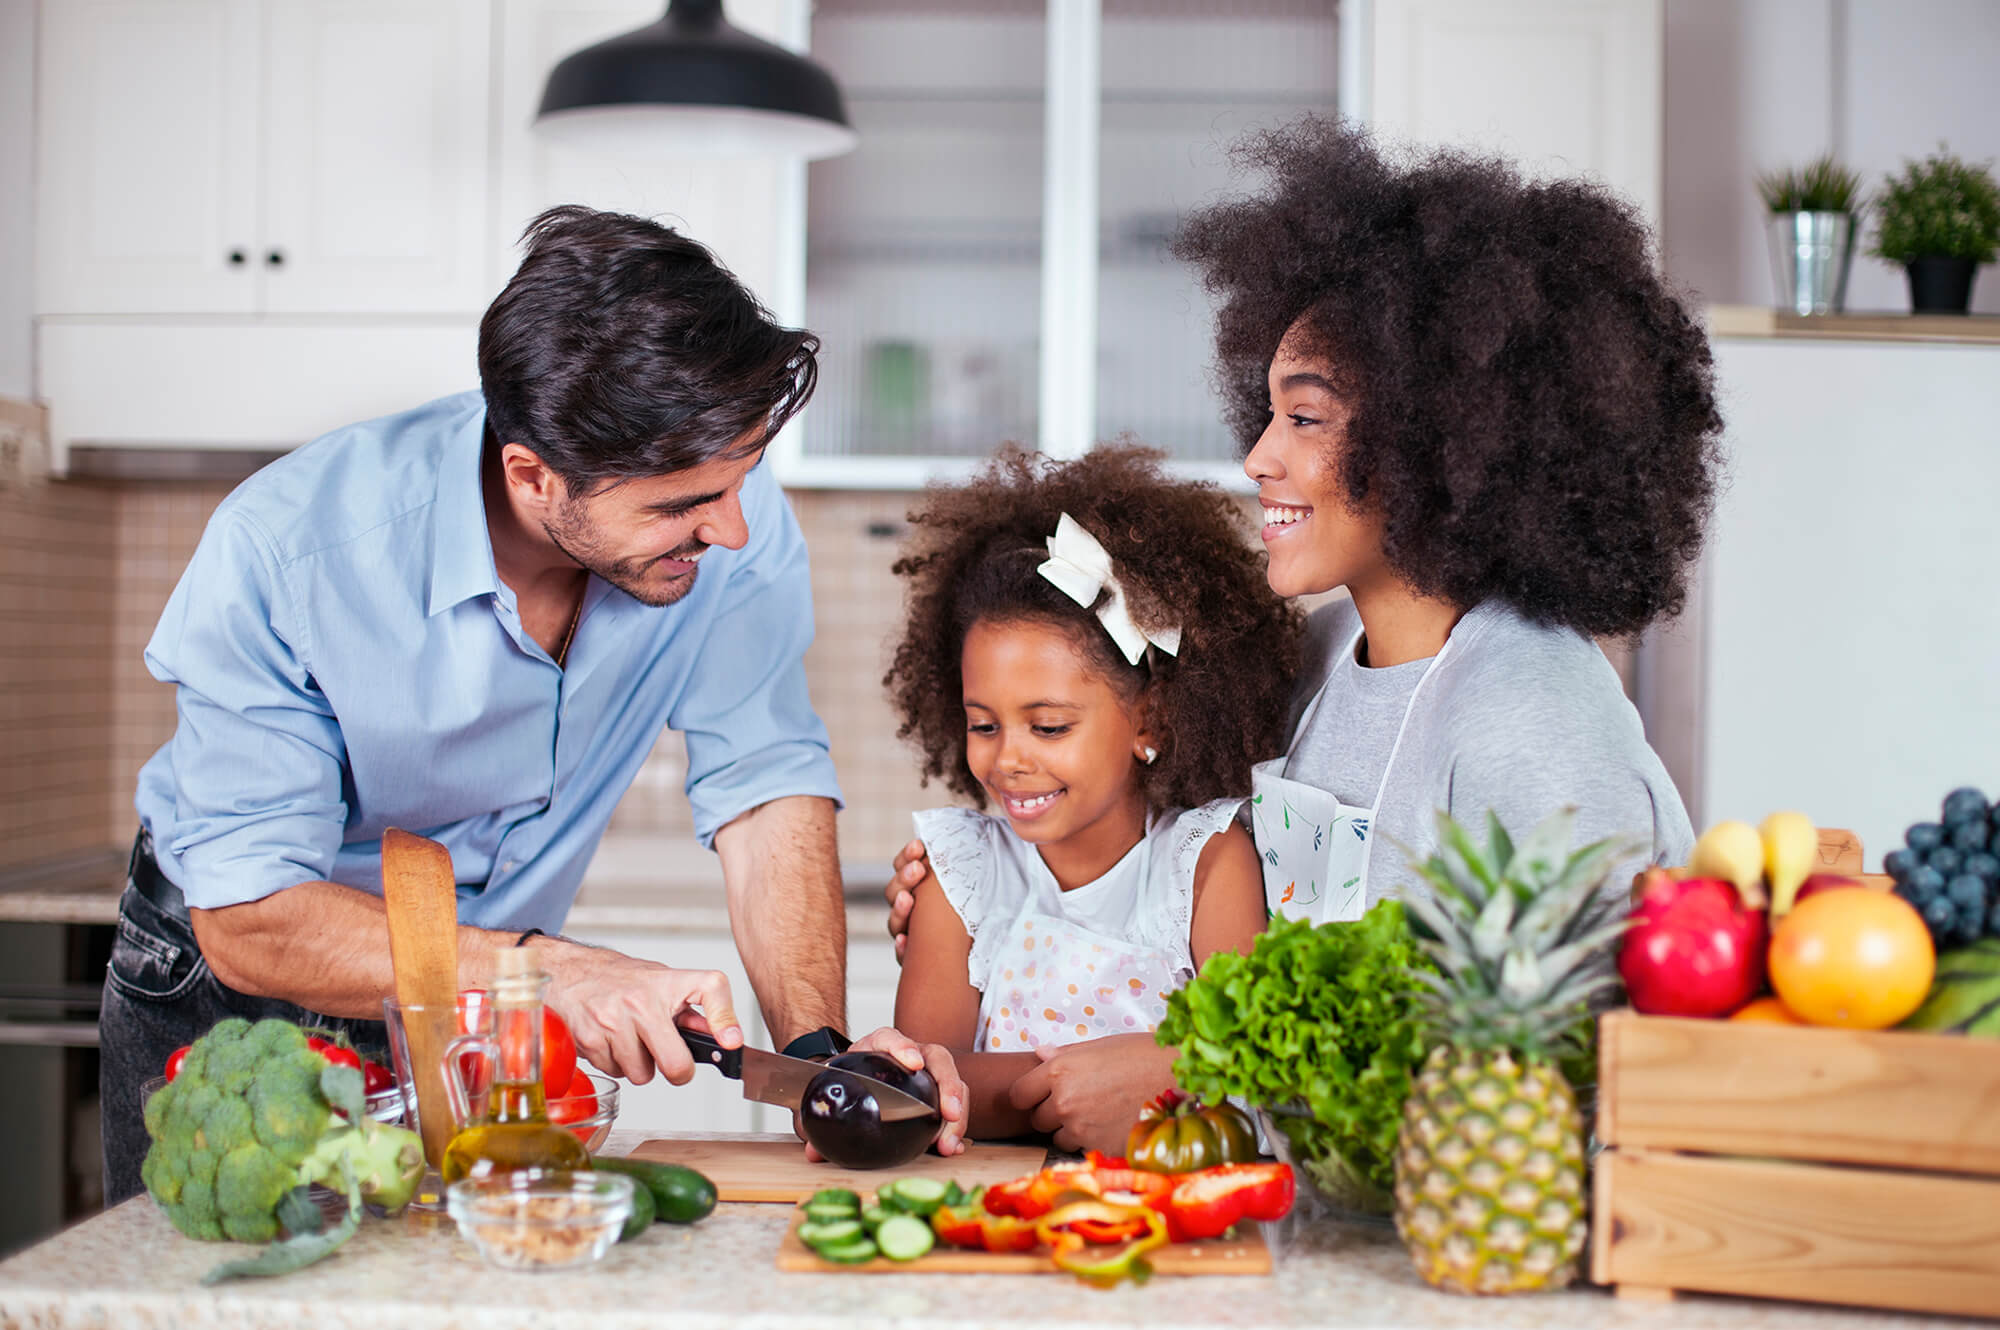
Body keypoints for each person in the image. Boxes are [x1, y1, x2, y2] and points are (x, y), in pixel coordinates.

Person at [103, 206, 964, 1203]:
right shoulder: (285, 550)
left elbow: (764, 787)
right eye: (680, 507)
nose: (730, 528)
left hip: (484, 1004)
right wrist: (550, 974)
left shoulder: (725, 509)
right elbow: (250, 917)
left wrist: (820, 1059)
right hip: (241, 1007)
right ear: (533, 475)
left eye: (743, 481)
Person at [884, 118, 1715, 1136]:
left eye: (1306, 418)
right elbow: (1157, 840)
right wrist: (976, 888)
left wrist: (1193, 1073)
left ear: (1438, 438)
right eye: (1268, 413)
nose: (1258, 459)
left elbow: (1587, 1074)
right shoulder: (1319, 656)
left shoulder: (1532, 714)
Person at [883, 446, 1302, 1152]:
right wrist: (1102, 1083)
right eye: (983, 724)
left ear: (1150, 720)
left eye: (1048, 726)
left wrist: (992, 1089)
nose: (1007, 757)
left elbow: (1251, 1070)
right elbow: (920, 1088)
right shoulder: (959, 873)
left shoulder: (1205, 864)